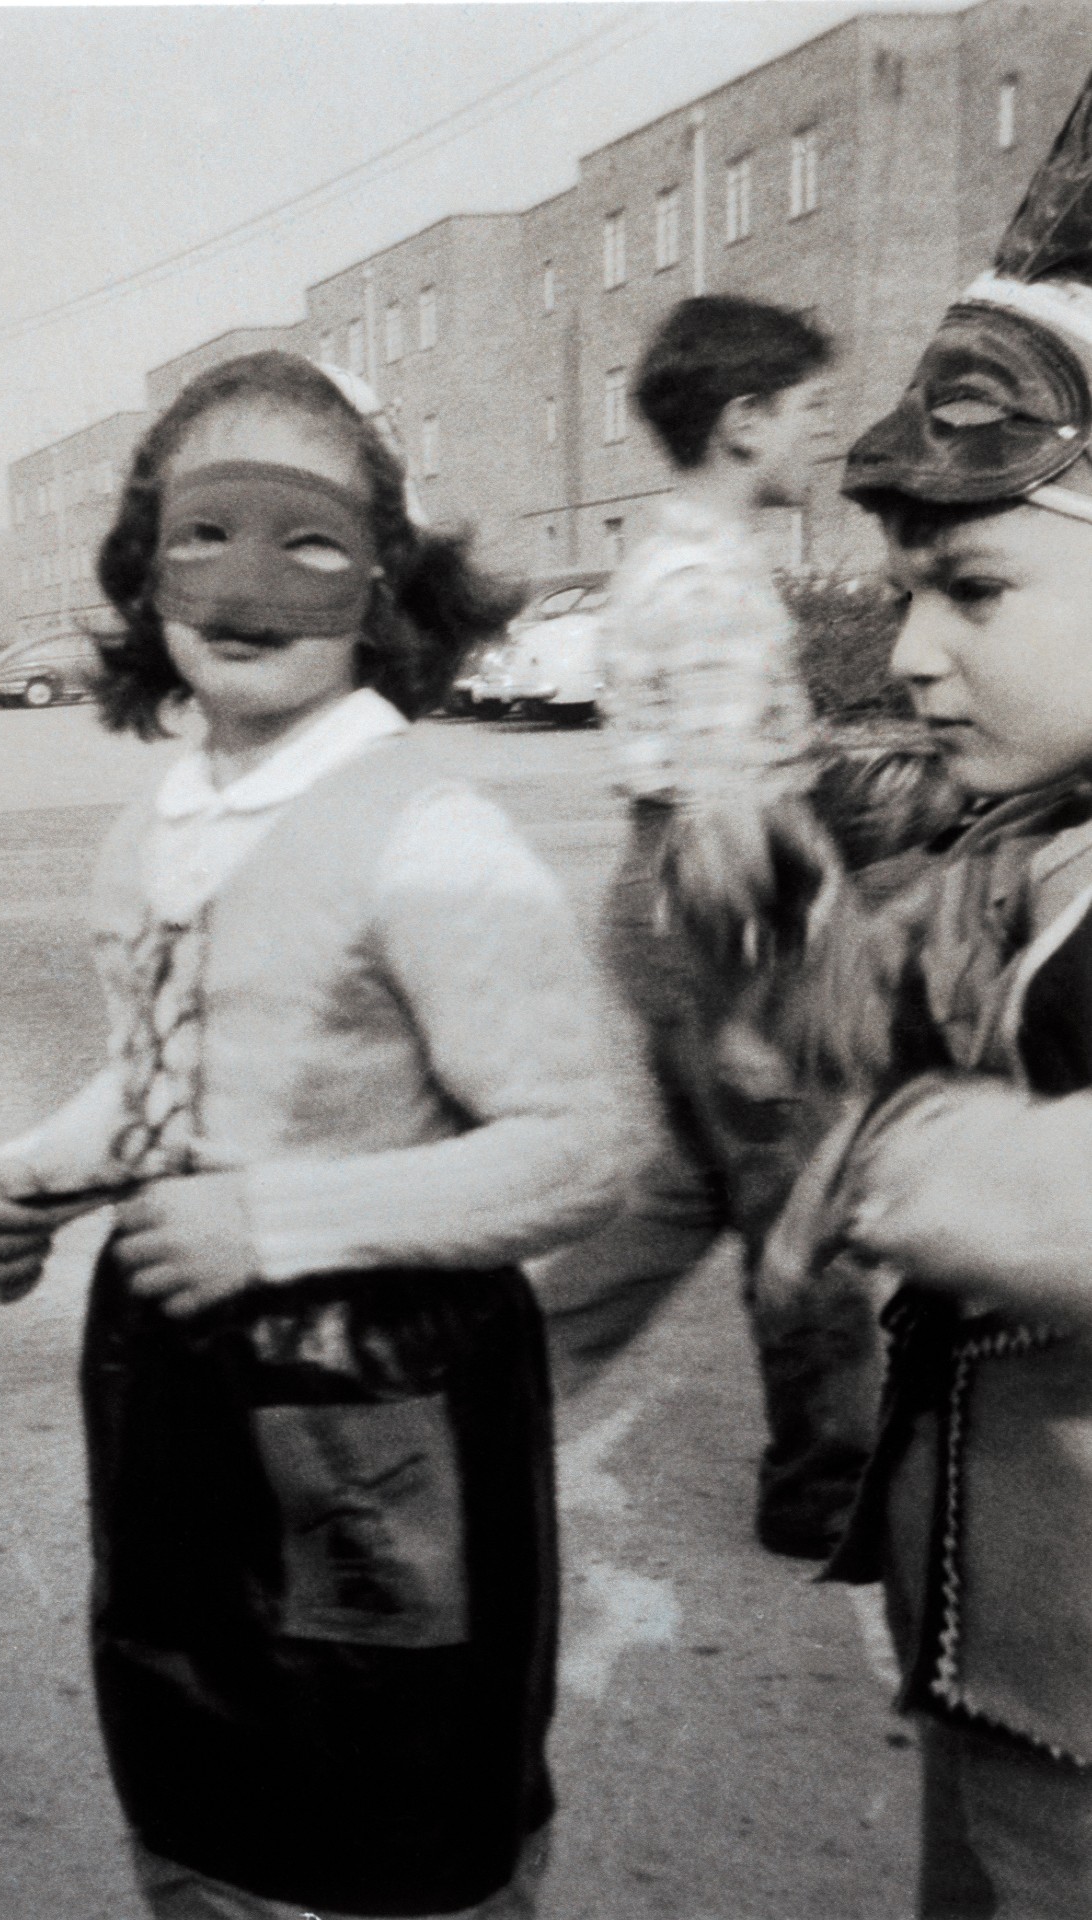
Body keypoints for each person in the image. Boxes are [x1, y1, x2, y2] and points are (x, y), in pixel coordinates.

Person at [0, 351, 645, 1920]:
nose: (247, 583)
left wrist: (274, 1225)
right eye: (204, 535)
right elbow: (160, 1082)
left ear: (385, 580)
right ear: (143, 569)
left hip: (378, 1406)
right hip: (171, 1384)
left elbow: (582, 1147)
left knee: (386, 1820)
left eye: (306, 538)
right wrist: (33, 1175)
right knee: (202, 1800)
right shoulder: (154, 827)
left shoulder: (435, 832)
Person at [751, 68, 1092, 1916]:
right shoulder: (1026, 841)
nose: (907, 649)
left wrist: (1005, 1184)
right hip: (1007, 1689)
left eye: (970, 586)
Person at [530, 296, 874, 1560]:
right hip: (721, 909)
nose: (818, 442)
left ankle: (481, 1406)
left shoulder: (669, 557)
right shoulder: (712, 583)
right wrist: (750, 1011)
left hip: (675, 889)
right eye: (808, 415)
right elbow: (731, 817)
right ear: (743, 424)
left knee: (681, 1197)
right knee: (805, 1203)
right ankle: (825, 1491)